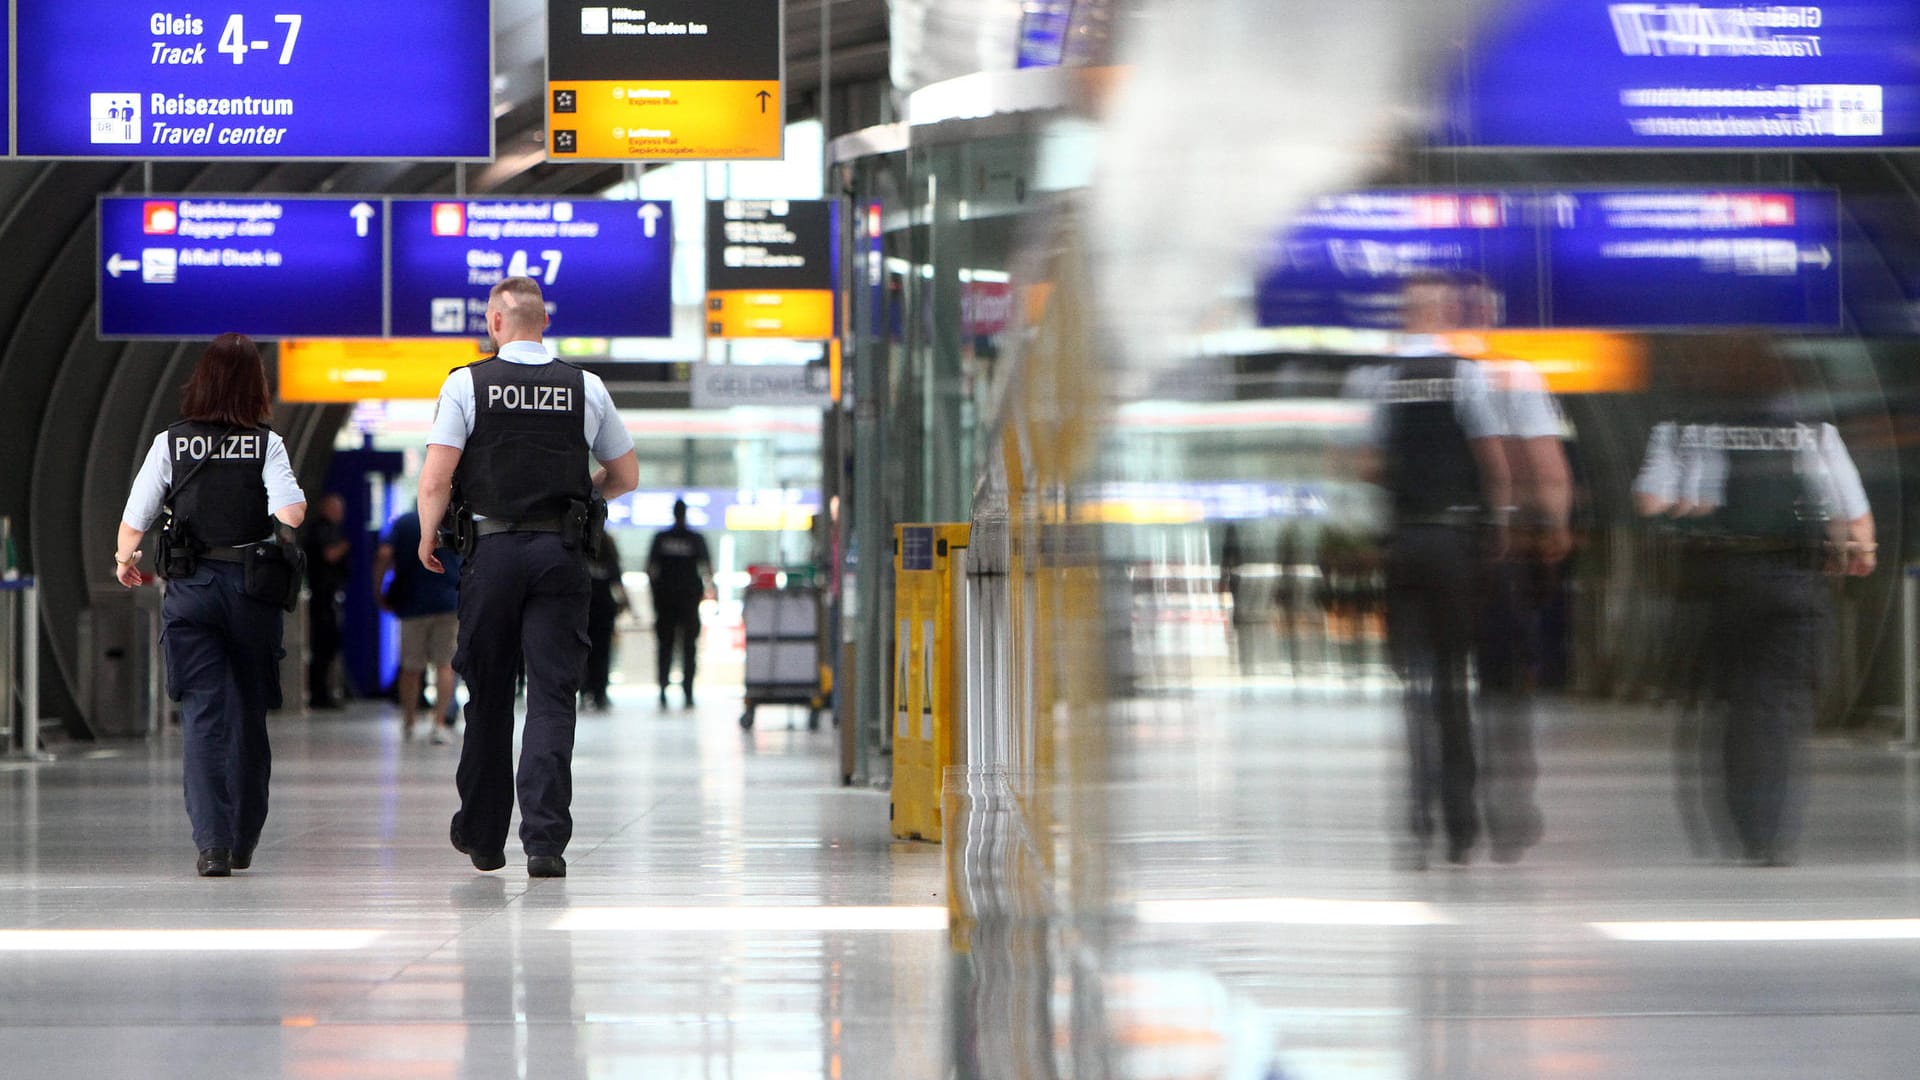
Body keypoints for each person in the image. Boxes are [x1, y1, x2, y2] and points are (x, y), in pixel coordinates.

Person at [417, 276, 638, 878]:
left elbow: (437, 478)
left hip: (490, 553)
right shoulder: (584, 387)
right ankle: (544, 843)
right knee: (550, 695)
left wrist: (426, 535)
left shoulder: (467, 382)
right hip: (560, 555)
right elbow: (626, 473)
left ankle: (485, 837)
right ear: (544, 322)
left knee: (487, 694)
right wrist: (581, 494)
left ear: (494, 323)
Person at [1635, 336, 1874, 866]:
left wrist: (1687, 508)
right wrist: (1860, 552)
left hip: (1720, 580)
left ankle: (1744, 823)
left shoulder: (1680, 430)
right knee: (1780, 707)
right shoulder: (1812, 431)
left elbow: (1651, 501)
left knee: (1733, 704)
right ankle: (1770, 832)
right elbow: (1852, 512)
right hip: (1794, 581)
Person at [112, 333, 307, 877]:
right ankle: (243, 839)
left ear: (200, 381)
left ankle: (213, 845)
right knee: (248, 714)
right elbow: (290, 514)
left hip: (191, 590)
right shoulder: (265, 443)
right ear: (256, 387)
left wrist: (124, 559)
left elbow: (136, 517)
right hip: (251, 591)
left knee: (203, 714)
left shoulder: (170, 443)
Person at [1365, 272, 1511, 867]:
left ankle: (1417, 819)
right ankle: (1462, 821)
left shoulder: (1380, 380)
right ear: (1446, 315)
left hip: (1405, 541)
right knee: (1455, 680)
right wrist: (1497, 521)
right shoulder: (1466, 375)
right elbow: (1491, 456)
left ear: (1403, 316)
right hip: (1454, 541)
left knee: (1415, 689)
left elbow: (1371, 463)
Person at [373, 506, 461, 744]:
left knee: (411, 667)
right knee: (445, 665)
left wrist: (379, 590)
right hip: (449, 602)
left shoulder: (405, 523)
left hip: (412, 603)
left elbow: (384, 554)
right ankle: (439, 723)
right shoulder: (453, 521)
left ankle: (409, 722)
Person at [646, 499, 712, 709]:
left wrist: (655, 593)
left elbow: (650, 568)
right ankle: (688, 691)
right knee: (688, 648)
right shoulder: (695, 539)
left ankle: (664, 689)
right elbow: (707, 569)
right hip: (688, 601)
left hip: (666, 601)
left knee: (665, 647)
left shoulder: (661, 538)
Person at [303, 492, 350, 708]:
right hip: (321, 596)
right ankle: (318, 693)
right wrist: (344, 548)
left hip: (330, 595)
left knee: (330, 646)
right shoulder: (320, 530)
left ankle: (326, 690)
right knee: (322, 646)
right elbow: (328, 555)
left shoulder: (332, 530)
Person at [582, 533, 628, 712]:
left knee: (583, 653)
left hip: (585, 610)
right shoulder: (610, 557)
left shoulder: (582, 555)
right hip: (604, 612)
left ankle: (585, 690)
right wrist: (624, 605)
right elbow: (618, 585)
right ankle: (600, 692)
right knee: (602, 654)